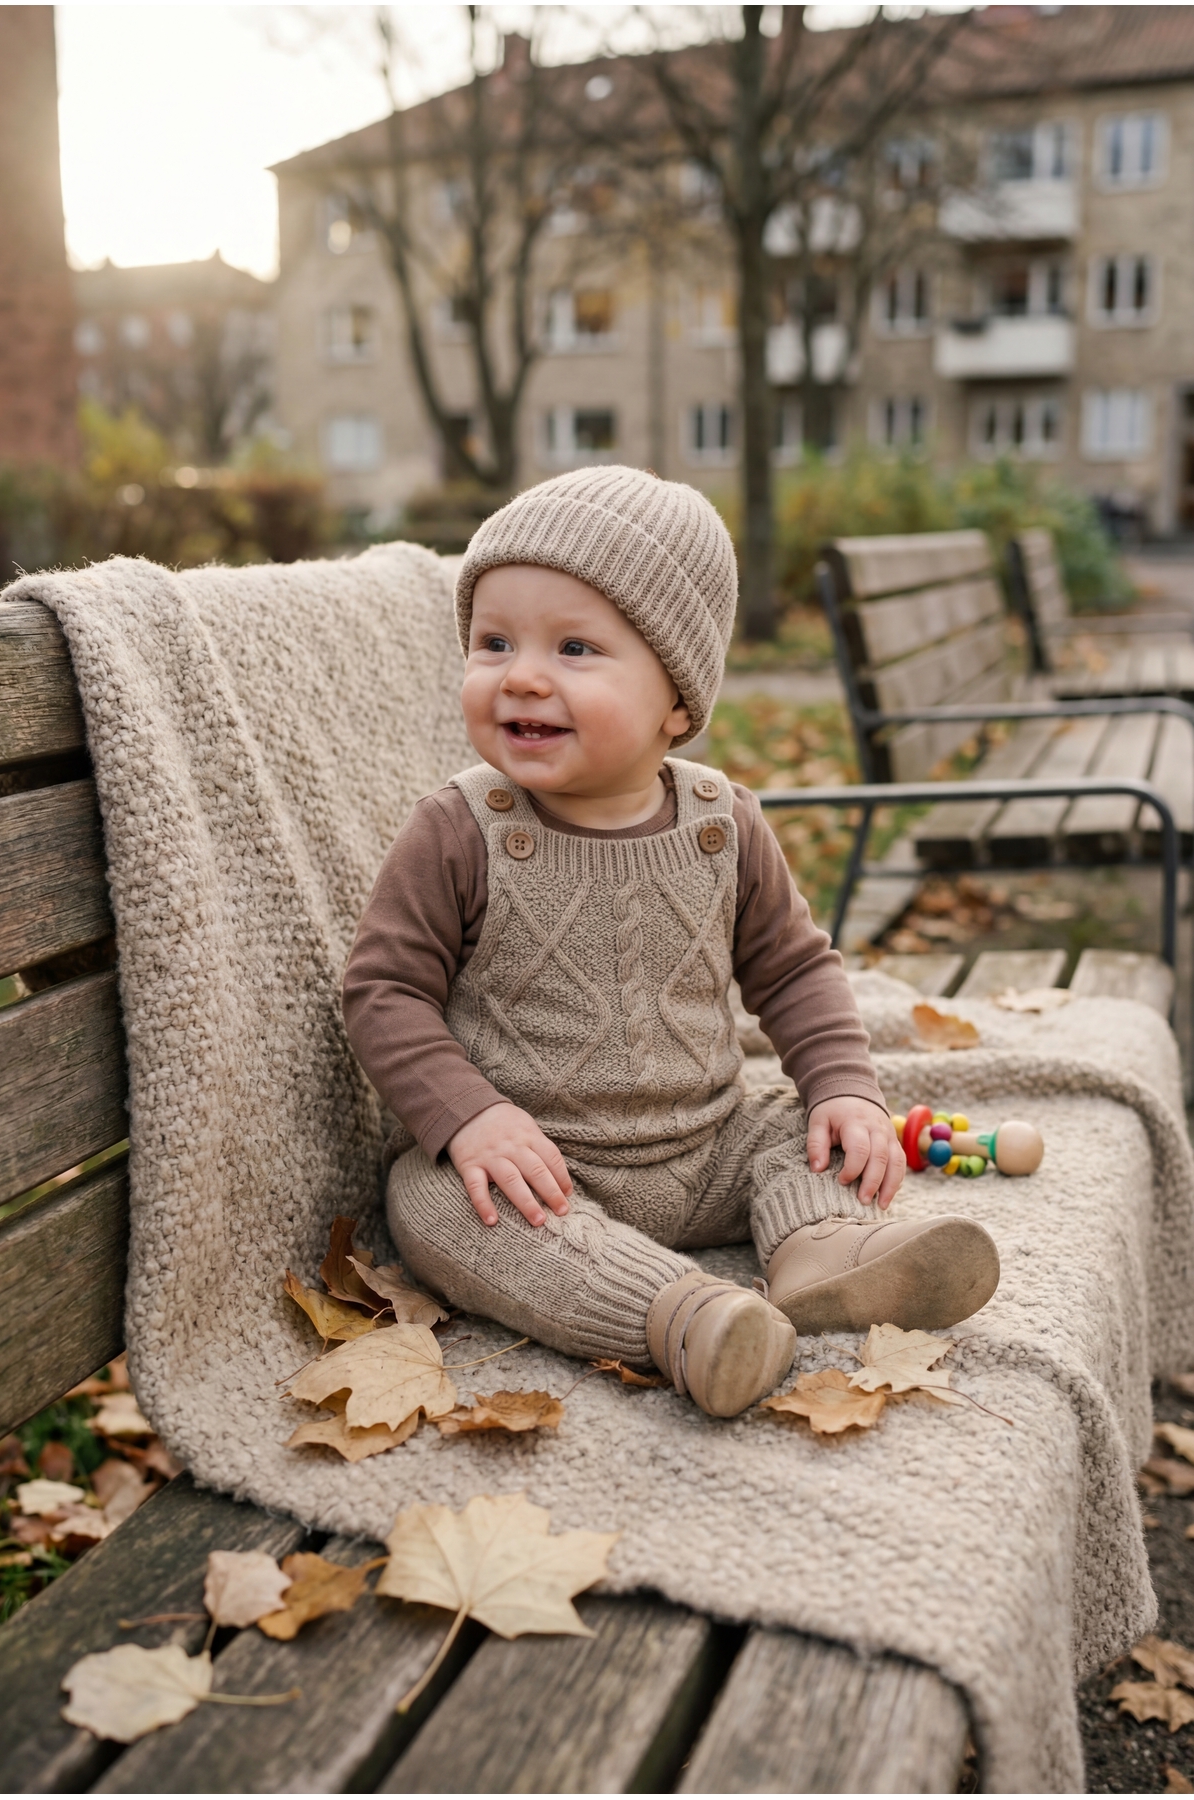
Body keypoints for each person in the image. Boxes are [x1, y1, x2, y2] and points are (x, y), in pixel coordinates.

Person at [343, 466, 999, 1418]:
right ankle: (682, 1318)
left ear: (678, 703)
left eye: (575, 647)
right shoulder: (460, 829)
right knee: (435, 1202)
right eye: (493, 642)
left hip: (709, 1142)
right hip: (541, 1170)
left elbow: (795, 966)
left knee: (796, 1126)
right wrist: (467, 1113)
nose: (521, 674)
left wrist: (846, 1088)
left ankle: (822, 1254)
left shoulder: (719, 823)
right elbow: (383, 991)